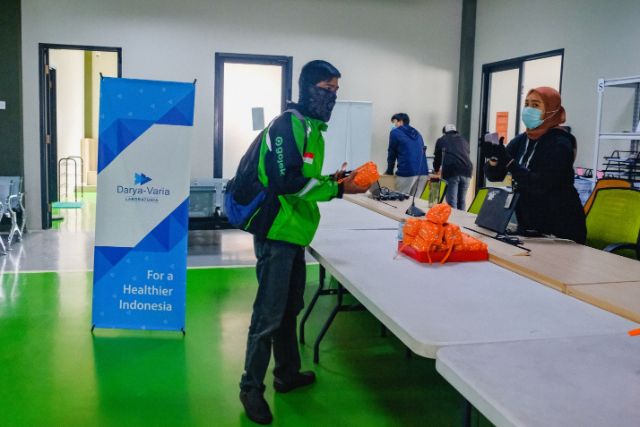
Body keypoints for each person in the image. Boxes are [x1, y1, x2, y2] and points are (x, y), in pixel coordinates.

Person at [237, 60, 368, 425]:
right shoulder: (288, 125)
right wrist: (340, 189)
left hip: (294, 232)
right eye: (326, 89)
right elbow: (286, 182)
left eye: (336, 91)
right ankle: (250, 388)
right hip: (276, 232)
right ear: (308, 88)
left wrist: (334, 179)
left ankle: (287, 373)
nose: (332, 97)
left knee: (289, 307)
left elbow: (304, 177)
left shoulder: (312, 129)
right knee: (268, 314)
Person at [483, 86, 586, 243]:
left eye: (536, 105)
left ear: (551, 110)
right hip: (530, 224)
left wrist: (509, 162)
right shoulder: (521, 140)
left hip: (560, 227)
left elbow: (540, 184)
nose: (529, 109)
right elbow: (495, 176)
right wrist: (494, 159)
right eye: (527, 104)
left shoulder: (561, 143)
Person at [385, 113, 429, 195]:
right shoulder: (418, 133)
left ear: (401, 122)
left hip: (407, 172)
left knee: (399, 199)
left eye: (394, 122)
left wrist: (389, 171)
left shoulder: (395, 133)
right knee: (414, 201)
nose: (394, 125)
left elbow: (392, 153)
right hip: (423, 172)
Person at [433, 124, 473, 210]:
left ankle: (454, 218)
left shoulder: (442, 140)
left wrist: (436, 170)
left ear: (444, 132)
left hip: (452, 171)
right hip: (467, 171)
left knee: (452, 202)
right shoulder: (464, 140)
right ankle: (462, 218)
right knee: (461, 201)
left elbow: (437, 157)